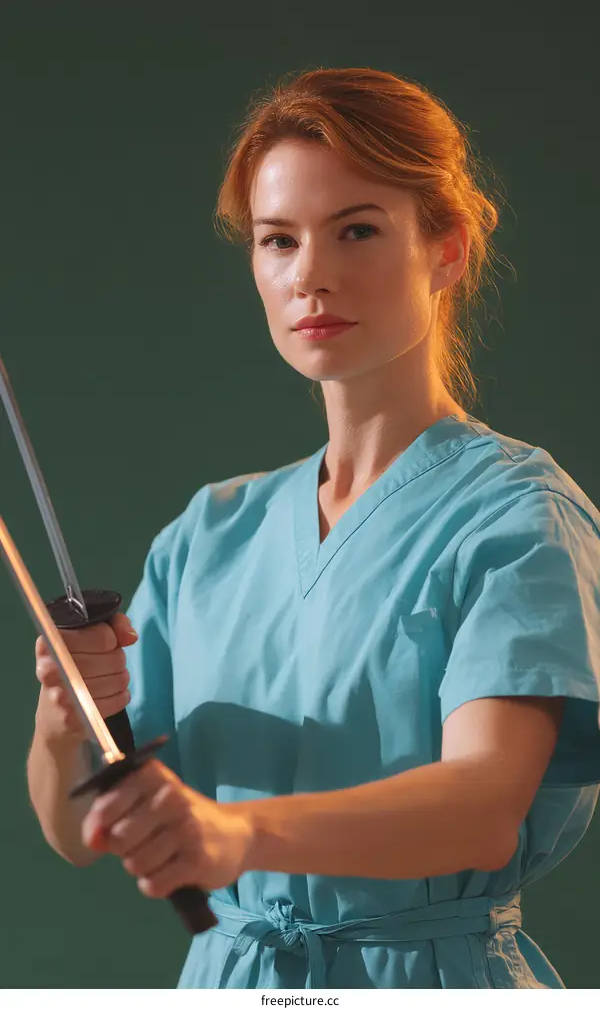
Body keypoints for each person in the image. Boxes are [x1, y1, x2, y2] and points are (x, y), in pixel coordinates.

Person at [28, 67, 600, 990]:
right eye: (278, 240)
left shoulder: (517, 513)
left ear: (447, 248)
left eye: (358, 230)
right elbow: (75, 831)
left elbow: (484, 807)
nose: (311, 276)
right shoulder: (210, 532)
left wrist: (238, 831)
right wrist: (65, 723)